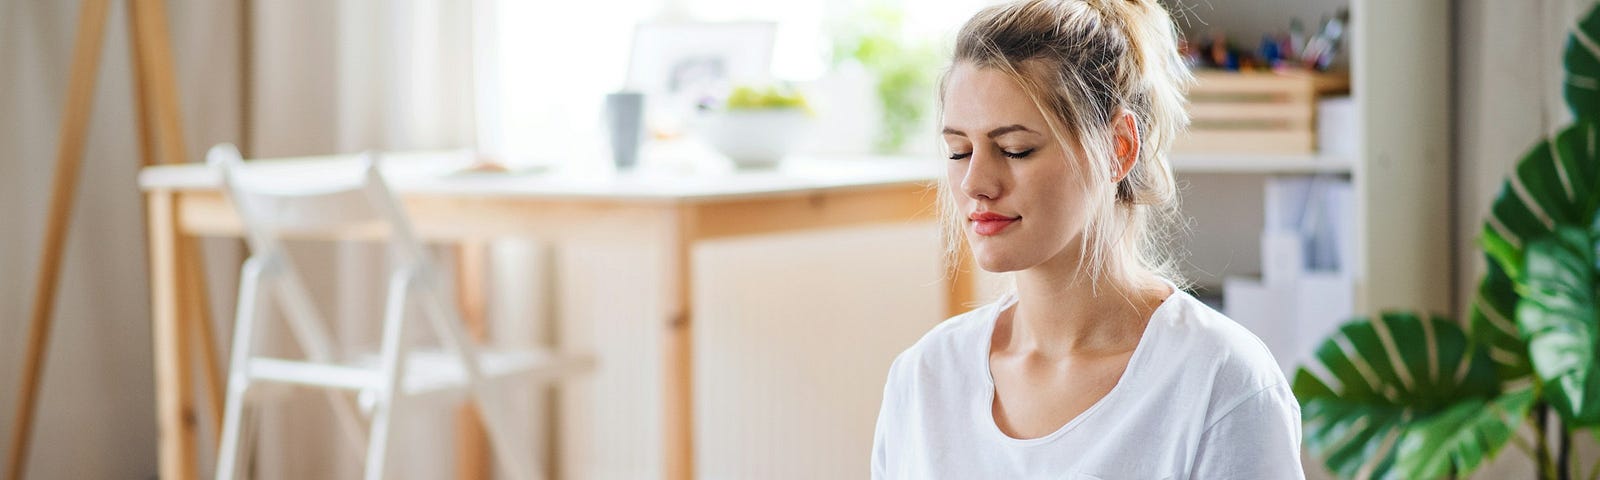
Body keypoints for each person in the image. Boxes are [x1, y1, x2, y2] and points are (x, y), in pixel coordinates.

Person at [870, 0, 1304, 478]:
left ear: (1118, 147)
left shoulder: (1220, 382)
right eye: (958, 152)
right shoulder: (923, 378)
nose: (975, 182)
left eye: (1015, 149)